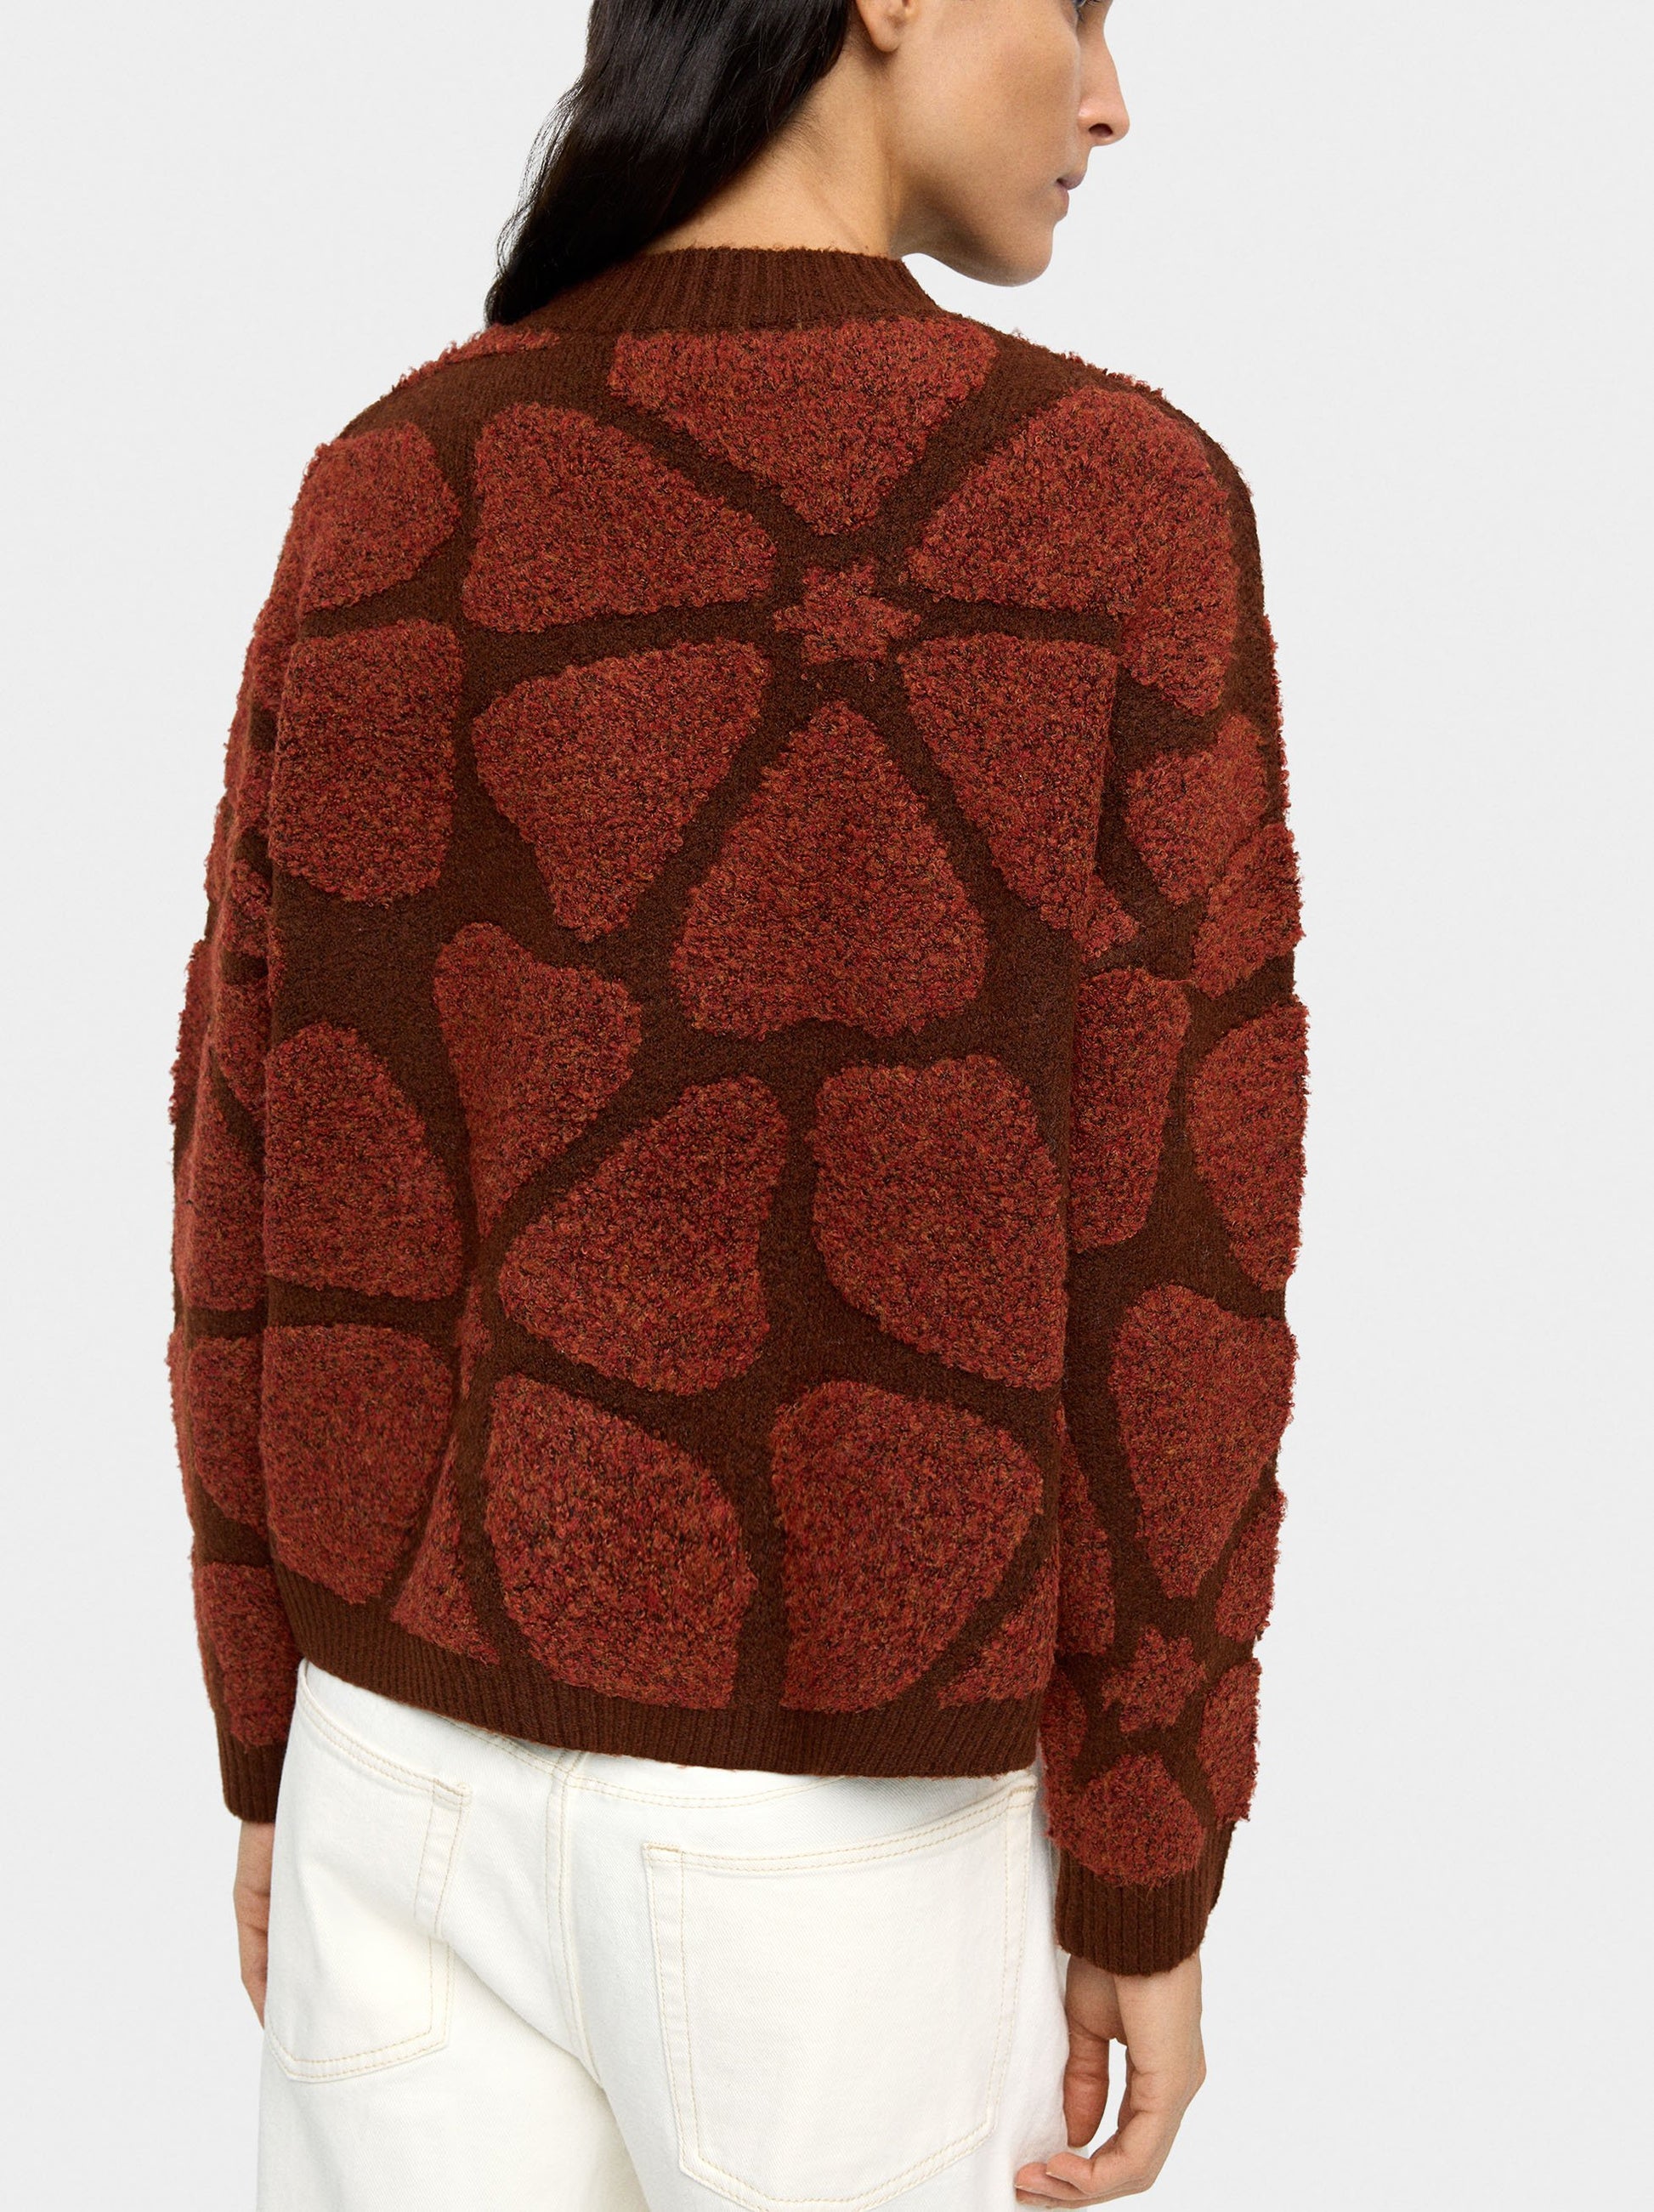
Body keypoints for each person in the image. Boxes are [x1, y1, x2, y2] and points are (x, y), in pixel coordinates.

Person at [167, 1, 1306, 2204]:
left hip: (396, 1782)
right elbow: (1180, 1241)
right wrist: (1148, 1842)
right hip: (845, 1831)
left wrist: (270, 1739)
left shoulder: (395, 476)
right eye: (1079, 7)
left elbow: (252, 1166)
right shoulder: (1112, 505)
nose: (1110, 98)